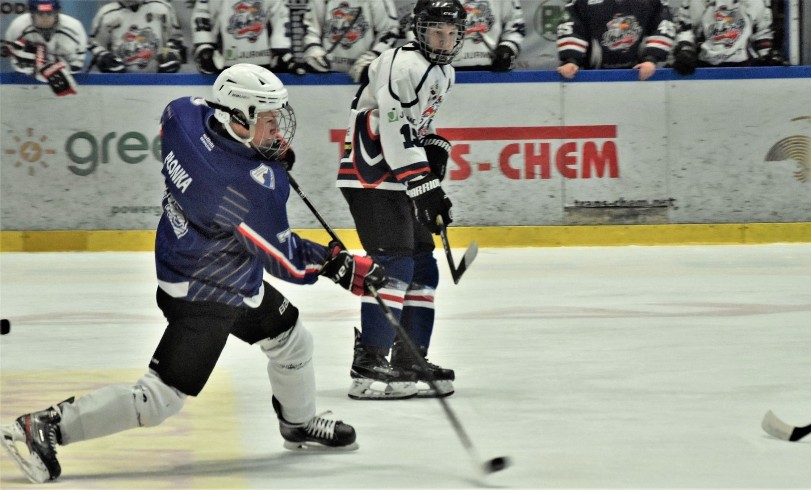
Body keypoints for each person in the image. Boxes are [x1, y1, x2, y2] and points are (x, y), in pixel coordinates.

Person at [0, 63, 387, 484]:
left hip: (195, 261)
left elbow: (179, 112)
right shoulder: (243, 186)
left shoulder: (187, 116)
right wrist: (340, 265)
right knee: (158, 398)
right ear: (237, 119)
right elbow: (287, 260)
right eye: (268, 120)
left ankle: (298, 423)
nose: (277, 130)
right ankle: (44, 426)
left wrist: (258, 151)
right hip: (208, 292)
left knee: (291, 338)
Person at [335, 0, 465, 400]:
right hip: (371, 172)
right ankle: (369, 363)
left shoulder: (445, 73)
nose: (443, 42)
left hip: (400, 176)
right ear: (419, 30)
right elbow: (392, 130)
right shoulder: (398, 63)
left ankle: (410, 360)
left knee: (424, 269)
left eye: (451, 34)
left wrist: (433, 145)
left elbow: (416, 125)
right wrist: (425, 185)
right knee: (394, 262)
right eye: (435, 32)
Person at [556, 0, 675, 81]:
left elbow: (663, 25)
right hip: (593, 76)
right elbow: (571, 26)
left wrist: (651, 59)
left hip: (639, 75)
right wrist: (571, 60)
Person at [299, 0, 401, 83]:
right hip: (324, 77)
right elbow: (310, 27)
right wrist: (314, 51)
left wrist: (372, 59)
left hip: (364, 79)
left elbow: (389, 30)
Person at [671, 0, 784, 75]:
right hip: (703, 67)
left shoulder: (754, 2)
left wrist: (767, 56)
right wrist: (685, 50)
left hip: (744, 69)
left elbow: (762, 32)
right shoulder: (696, 2)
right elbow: (686, 27)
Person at [1, 0, 86, 96]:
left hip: (64, 87)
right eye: (40, 13)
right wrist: (33, 66)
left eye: (49, 13)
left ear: (57, 13)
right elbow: (14, 59)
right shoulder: (17, 27)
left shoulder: (74, 28)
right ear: (32, 14)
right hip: (28, 90)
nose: (45, 18)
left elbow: (77, 65)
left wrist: (47, 65)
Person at [191, 0, 294, 75]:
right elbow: (202, 15)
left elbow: (281, 18)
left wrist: (281, 51)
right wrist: (204, 47)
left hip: (265, 65)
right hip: (225, 64)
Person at [88, 0, 186, 73]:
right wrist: (104, 57)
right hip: (119, 82)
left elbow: (172, 39)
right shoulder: (107, 14)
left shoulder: (161, 8)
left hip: (158, 80)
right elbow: (96, 44)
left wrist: (168, 54)